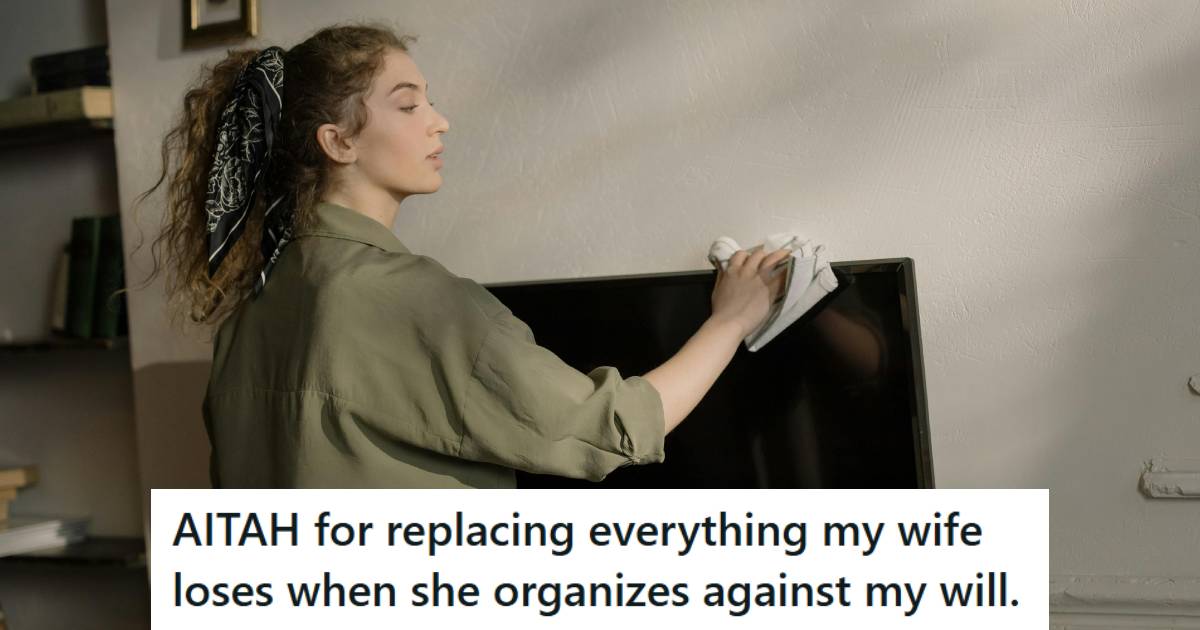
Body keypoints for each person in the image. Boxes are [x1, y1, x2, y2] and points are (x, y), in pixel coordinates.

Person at [134, 23, 789, 488]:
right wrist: (732, 318)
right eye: (408, 105)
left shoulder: (250, 307)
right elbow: (606, 429)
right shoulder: (413, 300)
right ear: (339, 142)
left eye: (431, 101)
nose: (438, 120)